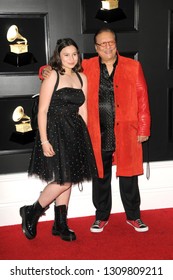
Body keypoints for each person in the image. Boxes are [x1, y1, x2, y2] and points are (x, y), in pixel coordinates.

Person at [39, 27, 151, 233]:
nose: (107, 47)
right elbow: (63, 68)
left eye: (111, 42)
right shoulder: (86, 66)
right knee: (100, 176)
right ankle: (101, 216)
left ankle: (134, 216)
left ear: (116, 43)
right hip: (96, 132)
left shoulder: (133, 66)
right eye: (102, 44)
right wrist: (44, 70)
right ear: (96, 47)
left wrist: (144, 127)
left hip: (126, 132)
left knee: (129, 176)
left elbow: (143, 99)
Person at [20, 38, 97, 242]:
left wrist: (84, 138)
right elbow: (43, 111)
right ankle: (32, 211)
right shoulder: (52, 75)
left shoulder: (82, 78)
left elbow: (83, 109)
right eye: (66, 55)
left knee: (67, 177)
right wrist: (44, 141)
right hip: (55, 131)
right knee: (65, 179)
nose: (71, 58)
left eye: (74, 54)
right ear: (58, 57)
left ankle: (60, 225)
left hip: (75, 132)